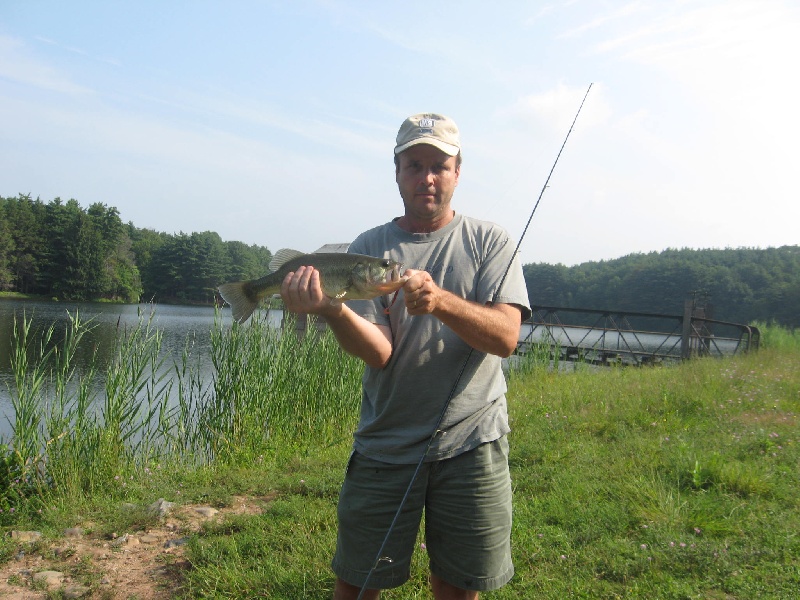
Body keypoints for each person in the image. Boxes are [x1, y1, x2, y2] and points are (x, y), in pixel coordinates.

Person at [280, 113, 531, 600]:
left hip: (471, 441)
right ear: (397, 172)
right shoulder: (370, 249)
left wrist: (441, 302)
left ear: (459, 171)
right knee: (357, 580)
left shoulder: (490, 242)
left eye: (439, 165)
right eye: (414, 165)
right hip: (386, 443)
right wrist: (331, 309)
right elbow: (378, 353)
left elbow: (506, 338)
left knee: (457, 583)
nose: (427, 177)